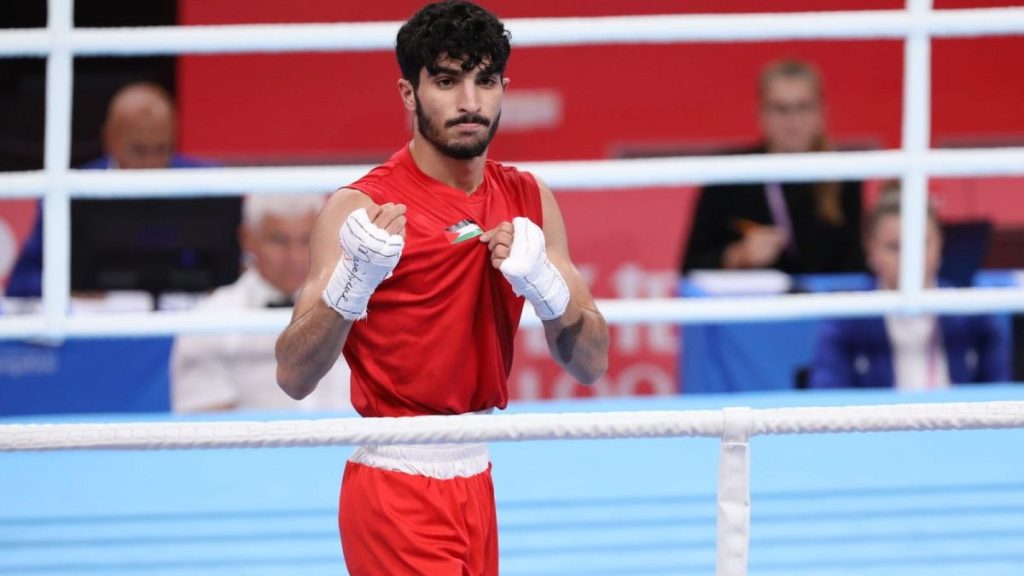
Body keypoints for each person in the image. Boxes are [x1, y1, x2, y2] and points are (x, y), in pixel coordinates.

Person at [274, 2, 610, 574]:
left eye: (485, 81)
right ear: (409, 93)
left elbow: (591, 363)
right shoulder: (362, 208)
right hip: (394, 485)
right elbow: (293, 376)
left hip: (477, 475)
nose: (470, 103)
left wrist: (550, 295)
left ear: (505, 87)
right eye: (447, 82)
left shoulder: (531, 199)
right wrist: (351, 288)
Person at [6, 81, 223, 298]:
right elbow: (22, 282)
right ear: (110, 138)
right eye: (139, 150)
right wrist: (73, 286)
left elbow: (238, 270)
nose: (152, 162)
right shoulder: (71, 192)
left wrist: (218, 282)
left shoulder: (208, 183)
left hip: (188, 323)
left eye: (162, 149)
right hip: (102, 325)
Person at [809, 188, 1010, 389]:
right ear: (870, 249)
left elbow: (1001, 399)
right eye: (894, 246)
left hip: (954, 420)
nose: (909, 258)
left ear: (940, 243)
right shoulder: (846, 319)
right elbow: (827, 401)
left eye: (921, 244)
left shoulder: (973, 313)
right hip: (882, 421)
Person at [681, 59, 864, 275]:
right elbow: (688, 269)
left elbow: (857, 268)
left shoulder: (844, 176)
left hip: (825, 305)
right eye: (780, 108)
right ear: (760, 114)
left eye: (802, 107)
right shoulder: (730, 175)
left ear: (820, 112)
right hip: (752, 305)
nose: (792, 119)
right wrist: (738, 256)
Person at [171, 194, 350, 412]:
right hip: (254, 446)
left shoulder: (357, 304)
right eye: (279, 240)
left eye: (306, 239)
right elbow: (204, 426)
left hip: (352, 443)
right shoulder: (209, 319)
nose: (294, 257)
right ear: (247, 238)